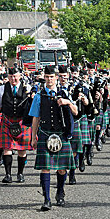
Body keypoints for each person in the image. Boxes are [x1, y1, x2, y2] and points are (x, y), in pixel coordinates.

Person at [29, 65, 77, 211]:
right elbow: (35, 118)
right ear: (44, 78)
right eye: (47, 77)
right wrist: (33, 137)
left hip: (61, 134)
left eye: (52, 77)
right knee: (45, 168)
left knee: (62, 169)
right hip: (45, 133)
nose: (49, 79)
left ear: (56, 78)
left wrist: (67, 102)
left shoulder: (64, 93)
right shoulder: (39, 96)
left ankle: (60, 192)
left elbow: (75, 112)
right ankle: (47, 199)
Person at [0, 67, 33, 184]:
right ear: (7, 77)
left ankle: (20, 174)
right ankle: (8, 174)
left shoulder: (27, 89)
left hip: (22, 121)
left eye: (15, 76)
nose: (13, 79)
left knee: (22, 150)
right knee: (6, 149)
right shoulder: (2, 89)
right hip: (7, 121)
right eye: (10, 76)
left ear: (20, 76)